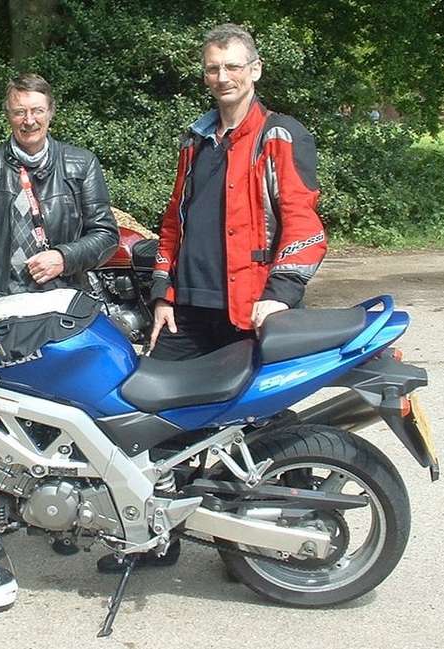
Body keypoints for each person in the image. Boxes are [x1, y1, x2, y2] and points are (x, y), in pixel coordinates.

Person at [97, 23, 327, 574]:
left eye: (232, 66)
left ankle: (271, 538)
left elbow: (304, 225)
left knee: (265, 424)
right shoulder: (195, 141)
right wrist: (162, 295)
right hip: (188, 309)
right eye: (213, 68)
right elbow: (172, 225)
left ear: (255, 70)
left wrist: (281, 294)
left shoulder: (280, 135)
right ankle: (155, 539)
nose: (223, 76)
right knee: (152, 420)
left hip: (252, 308)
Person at [0, 73, 119, 310]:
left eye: (37, 110)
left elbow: (106, 235)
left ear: (50, 112)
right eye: (20, 112)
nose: (29, 120)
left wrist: (64, 257)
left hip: (62, 302)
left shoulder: (81, 164)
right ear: (8, 115)